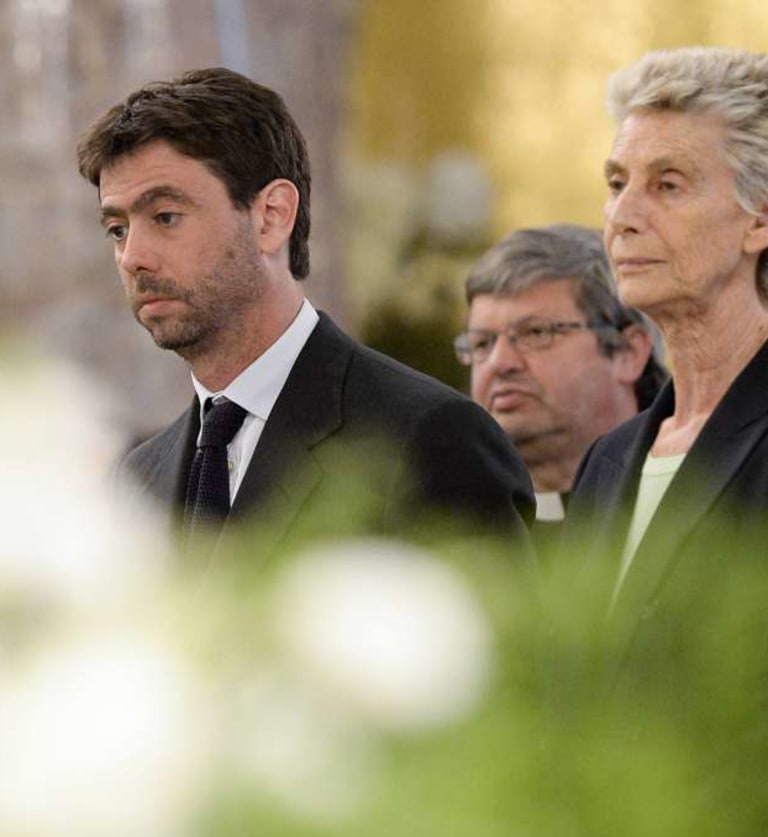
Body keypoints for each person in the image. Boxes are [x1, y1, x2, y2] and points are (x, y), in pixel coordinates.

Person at [76, 68, 534, 561]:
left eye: (165, 216)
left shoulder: (428, 438)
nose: (132, 257)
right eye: (118, 229)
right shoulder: (138, 478)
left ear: (271, 216)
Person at [566, 47, 768, 651]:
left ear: (758, 220)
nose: (621, 217)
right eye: (617, 183)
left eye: (668, 184)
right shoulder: (607, 460)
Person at [455, 225, 665, 533]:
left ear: (628, 352)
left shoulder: (689, 495)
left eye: (536, 332)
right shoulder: (451, 524)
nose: (499, 363)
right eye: (482, 343)